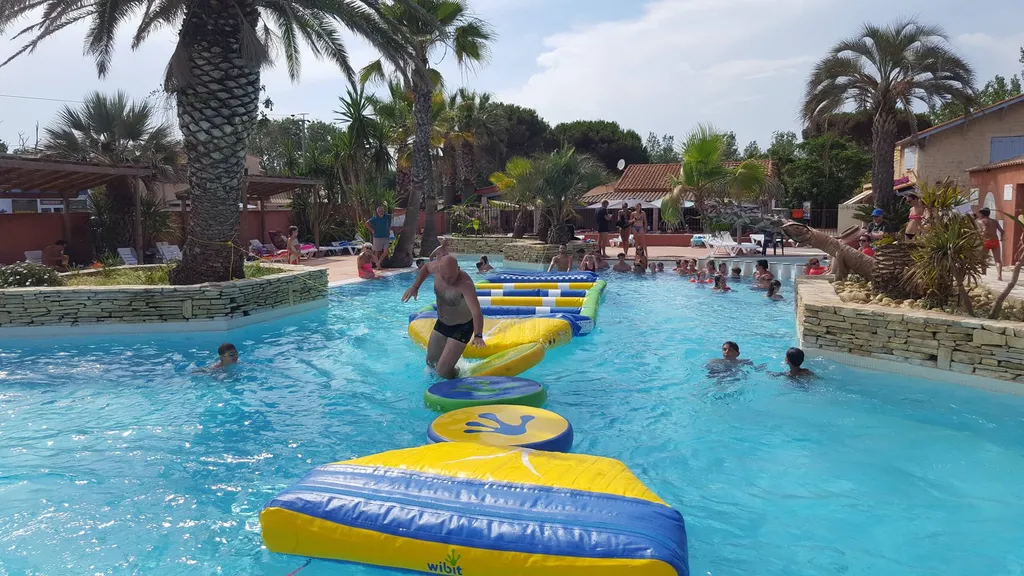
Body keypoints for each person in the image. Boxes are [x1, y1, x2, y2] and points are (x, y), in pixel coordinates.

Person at [402, 255, 485, 379]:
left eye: (450, 277)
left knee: (443, 372)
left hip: (462, 327)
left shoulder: (465, 284)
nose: (446, 280)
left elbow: (476, 311)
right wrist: (415, 286)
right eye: (443, 276)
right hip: (442, 323)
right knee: (430, 363)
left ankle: (461, 373)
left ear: (458, 269)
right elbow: (425, 267)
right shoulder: (436, 268)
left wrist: (478, 335)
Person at [978, 207, 1003, 280]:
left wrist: (981, 236)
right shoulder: (995, 221)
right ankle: (999, 276)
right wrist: (1001, 238)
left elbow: (984, 229)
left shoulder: (981, 221)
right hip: (995, 241)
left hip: (986, 241)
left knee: (982, 258)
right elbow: (1002, 231)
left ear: (982, 214)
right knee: (998, 260)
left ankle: (984, 273)